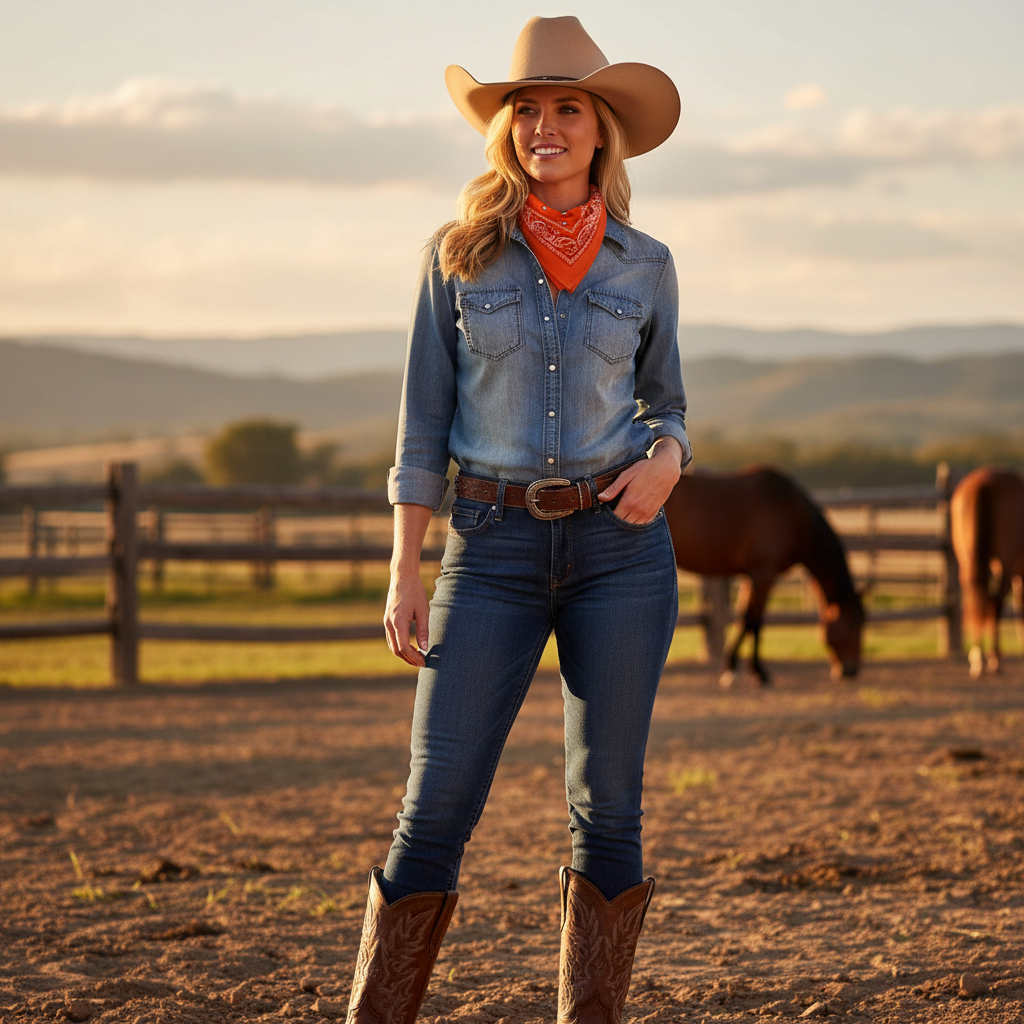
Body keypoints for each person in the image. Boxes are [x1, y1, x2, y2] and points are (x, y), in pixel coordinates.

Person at [345, 16, 691, 1024]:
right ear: (506, 131)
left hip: (619, 552)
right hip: (486, 551)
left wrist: (666, 459)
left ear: (599, 130)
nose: (544, 125)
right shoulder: (457, 257)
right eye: (525, 110)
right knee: (434, 807)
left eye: (566, 108)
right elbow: (422, 424)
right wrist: (405, 565)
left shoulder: (647, 263)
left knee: (609, 815)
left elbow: (665, 404)